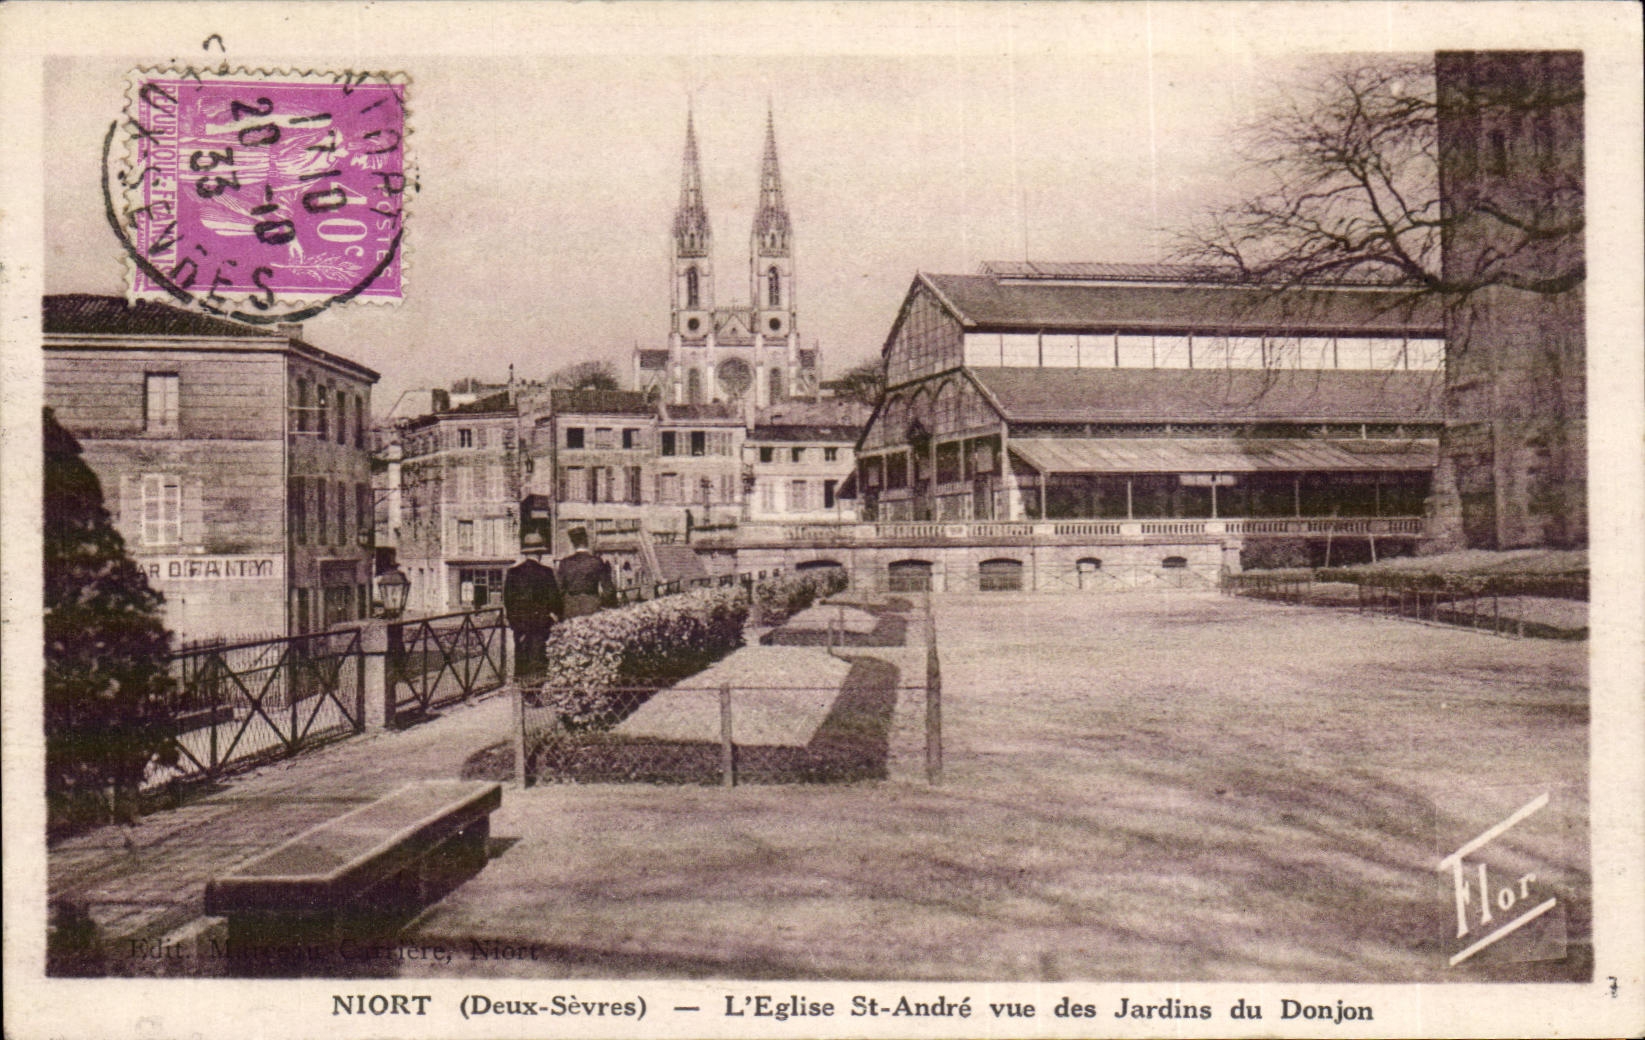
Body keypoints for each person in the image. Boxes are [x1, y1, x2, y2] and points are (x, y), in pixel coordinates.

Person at [502, 533, 561, 683]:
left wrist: (514, 623)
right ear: (540, 553)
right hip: (540, 625)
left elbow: (508, 601)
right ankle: (536, 695)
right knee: (539, 659)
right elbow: (555, 600)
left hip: (520, 626)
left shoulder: (513, 572)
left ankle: (522, 695)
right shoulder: (546, 572)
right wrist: (552, 617)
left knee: (521, 658)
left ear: (526, 553)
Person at [557, 526, 615, 619]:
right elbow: (608, 590)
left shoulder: (565, 563)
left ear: (573, 543)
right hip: (592, 607)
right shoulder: (596, 561)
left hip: (571, 609)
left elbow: (559, 589)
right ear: (586, 541)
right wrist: (604, 605)